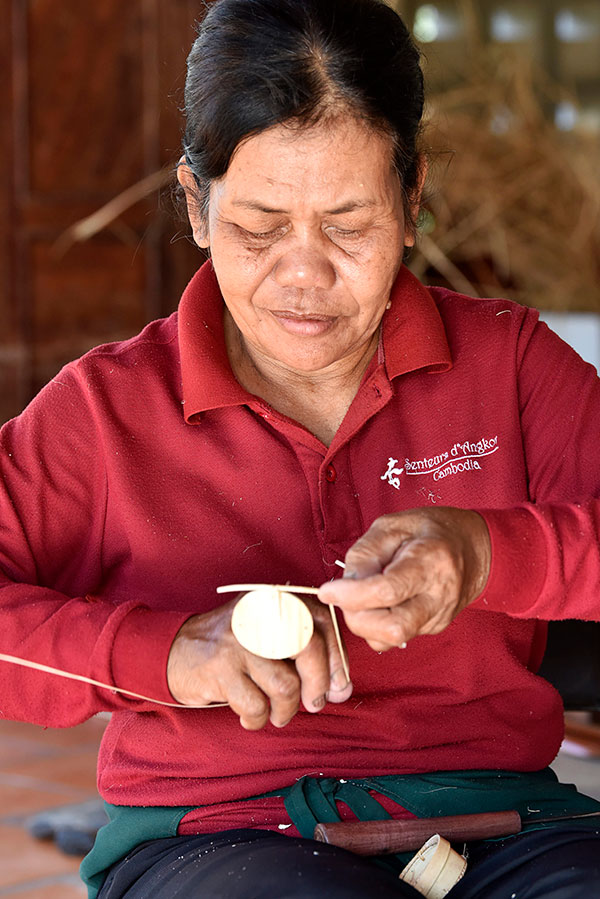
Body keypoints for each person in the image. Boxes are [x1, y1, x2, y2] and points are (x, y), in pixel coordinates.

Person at [1, 0, 599, 896]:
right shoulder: (103, 410)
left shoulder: (510, 364)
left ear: (413, 202)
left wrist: (485, 552)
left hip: (500, 818)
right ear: (197, 205)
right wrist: (164, 656)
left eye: (350, 225)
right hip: (215, 830)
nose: (304, 274)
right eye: (260, 226)